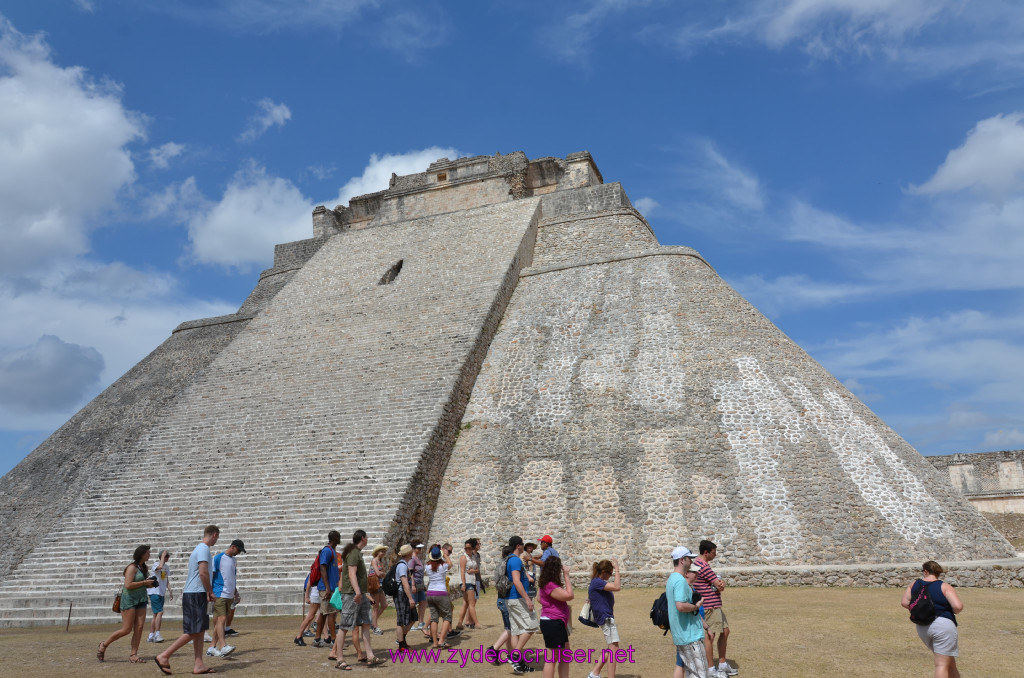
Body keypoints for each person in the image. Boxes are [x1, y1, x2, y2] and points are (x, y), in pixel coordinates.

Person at [156, 525, 220, 676]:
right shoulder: (204, 549)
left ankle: (199, 664)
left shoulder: (200, 548)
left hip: (197, 593)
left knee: (200, 630)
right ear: (215, 535)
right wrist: (210, 591)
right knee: (193, 631)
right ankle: (164, 655)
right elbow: (203, 573)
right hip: (196, 593)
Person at [901, 561, 964, 678]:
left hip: (922, 626)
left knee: (950, 663)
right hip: (942, 626)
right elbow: (958, 606)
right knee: (941, 665)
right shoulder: (944, 586)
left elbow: (905, 602)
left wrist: (920, 608)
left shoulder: (914, 584)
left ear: (925, 571)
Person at [335, 529, 386, 668]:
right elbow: (352, 574)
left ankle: (370, 656)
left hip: (361, 594)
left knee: (365, 624)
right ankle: (340, 659)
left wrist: (362, 593)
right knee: (345, 626)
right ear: (362, 538)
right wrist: (357, 592)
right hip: (352, 594)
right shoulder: (353, 553)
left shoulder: (356, 553)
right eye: (367, 537)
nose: (367, 539)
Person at [98, 545, 156, 664]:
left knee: (139, 628)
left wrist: (151, 583)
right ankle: (103, 645)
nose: (149, 555)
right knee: (126, 629)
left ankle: (133, 655)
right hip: (129, 600)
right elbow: (128, 585)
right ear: (141, 554)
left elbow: (142, 584)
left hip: (141, 599)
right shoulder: (131, 568)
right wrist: (145, 582)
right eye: (147, 553)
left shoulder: (144, 567)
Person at [693, 540, 735, 677]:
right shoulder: (703, 566)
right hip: (710, 606)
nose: (715, 555)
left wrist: (719, 584)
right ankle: (710, 668)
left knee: (725, 630)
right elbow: (719, 585)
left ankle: (722, 663)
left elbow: (717, 584)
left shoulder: (697, 564)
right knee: (709, 637)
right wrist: (720, 584)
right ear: (706, 552)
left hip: (713, 604)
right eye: (713, 553)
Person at [667, 546, 708, 678]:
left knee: (692, 673)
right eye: (689, 558)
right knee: (701, 674)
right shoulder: (679, 581)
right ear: (682, 560)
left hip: (682, 635)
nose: (691, 561)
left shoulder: (672, 579)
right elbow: (680, 606)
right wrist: (696, 606)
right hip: (689, 636)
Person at [506, 535, 540, 675]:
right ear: (518, 546)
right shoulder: (514, 560)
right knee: (532, 625)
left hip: (512, 598)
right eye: (522, 544)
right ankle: (515, 655)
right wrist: (527, 598)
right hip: (518, 598)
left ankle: (519, 664)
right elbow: (516, 580)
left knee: (516, 630)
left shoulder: (512, 559)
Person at [207, 539, 245, 658]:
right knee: (221, 619)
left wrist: (235, 592)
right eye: (238, 550)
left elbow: (232, 577)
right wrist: (209, 592)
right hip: (219, 593)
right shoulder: (218, 558)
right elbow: (211, 575)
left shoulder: (234, 560)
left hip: (229, 594)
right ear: (233, 547)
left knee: (220, 622)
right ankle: (223, 646)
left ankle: (212, 647)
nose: (239, 553)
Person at [537, 556, 573, 678]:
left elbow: (538, 599)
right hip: (553, 623)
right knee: (552, 658)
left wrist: (550, 603)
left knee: (566, 655)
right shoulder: (550, 585)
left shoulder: (545, 583)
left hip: (556, 622)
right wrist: (567, 575)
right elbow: (569, 595)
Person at [587, 558, 621, 678]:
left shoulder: (597, 582)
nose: (611, 575)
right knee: (613, 649)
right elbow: (617, 587)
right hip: (606, 618)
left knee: (612, 647)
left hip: (606, 617)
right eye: (610, 573)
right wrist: (617, 569)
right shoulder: (598, 582)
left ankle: (594, 673)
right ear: (604, 572)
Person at [424, 545, 455, 648]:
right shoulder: (443, 566)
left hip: (430, 592)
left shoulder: (427, 567)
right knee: (447, 616)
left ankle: (435, 642)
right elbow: (450, 564)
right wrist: (445, 555)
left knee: (434, 618)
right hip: (441, 592)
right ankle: (441, 640)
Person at [314, 530, 341, 648]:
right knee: (331, 613)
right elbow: (323, 568)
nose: (340, 538)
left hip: (332, 587)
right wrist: (327, 587)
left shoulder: (333, 551)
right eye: (338, 537)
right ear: (334, 538)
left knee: (325, 614)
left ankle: (317, 639)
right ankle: (334, 640)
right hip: (327, 588)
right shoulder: (327, 551)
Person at [490, 545, 515, 667]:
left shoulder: (499, 564)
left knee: (508, 627)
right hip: (507, 599)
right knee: (510, 629)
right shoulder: (509, 565)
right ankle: (494, 648)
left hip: (500, 599)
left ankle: (510, 654)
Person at [393, 544, 418, 653]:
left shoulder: (404, 564)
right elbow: (404, 583)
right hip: (401, 594)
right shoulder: (402, 566)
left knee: (413, 617)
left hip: (403, 594)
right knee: (401, 620)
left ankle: (401, 640)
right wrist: (410, 598)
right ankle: (401, 645)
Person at [456, 538, 481, 631]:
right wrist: (463, 584)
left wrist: (473, 571)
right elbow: (462, 571)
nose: (467, 550)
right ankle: (476, 623)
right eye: (466, 548)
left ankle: (459, 623)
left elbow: (477, 569)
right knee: (471, 603)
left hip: (472, 581)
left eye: (469, 548)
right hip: (467, 582)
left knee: (466, 603)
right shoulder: (463, 557)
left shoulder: (473, 557)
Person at [147, 550, 172, 643]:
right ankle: (157, 634)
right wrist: (162, 556)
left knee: (155, 615)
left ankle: (150, 635)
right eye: (166, 556)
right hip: (154, 591)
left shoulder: (166, 567)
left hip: (161, 592)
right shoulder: (156, 564)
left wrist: (170, 590)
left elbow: (166, 579)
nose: (167, 558)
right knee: (160, 612)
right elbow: (159, 567)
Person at [294, 572, 319, 646]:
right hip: (316, 592)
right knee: (310, 616)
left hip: (320, 592)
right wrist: (307, 596)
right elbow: (309, 582)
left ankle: (322, 638)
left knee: (322, 615)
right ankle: (299, 636)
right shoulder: (317, 567)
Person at [369, 545, 389, 635]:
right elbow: (378, 573)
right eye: (382, 551)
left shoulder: (380, 561)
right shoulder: (374, 561)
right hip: (374, 586)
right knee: (375, 607)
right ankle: (375, 626)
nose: (383, 553)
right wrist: (383, 573)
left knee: (384, 605)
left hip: (379, 586)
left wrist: (382, 574)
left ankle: (373, 622)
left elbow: (381, 573)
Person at [410, 542, 427, 631]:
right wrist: (412, 584)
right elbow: (411, 573)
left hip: (420, 584)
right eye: (418, 548)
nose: (419, 550)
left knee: (423, 601)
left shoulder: (417, 558)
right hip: (414, 584)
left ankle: (421, 622)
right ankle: (410, 623)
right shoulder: (412, 559)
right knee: (413, 604)